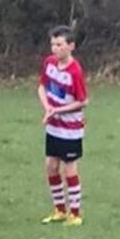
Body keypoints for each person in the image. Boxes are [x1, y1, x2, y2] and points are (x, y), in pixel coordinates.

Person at [38, 26, 89, 226]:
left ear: (71, 46)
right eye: (53, 44)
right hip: (53, 127)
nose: (55, 49)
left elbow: (83, 101)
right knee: (51, 167)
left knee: (69, 169)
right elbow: (42, 86)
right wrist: (48, 108)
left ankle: (75, 214)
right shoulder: (49, 63)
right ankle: (59, 210)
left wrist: (58, 110)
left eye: (59, 44)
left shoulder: (75, 71)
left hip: (70, 129)